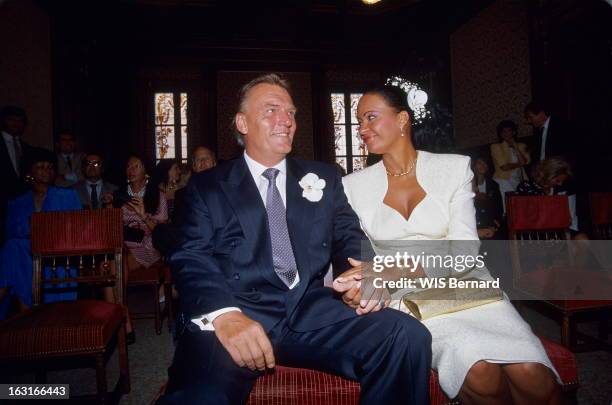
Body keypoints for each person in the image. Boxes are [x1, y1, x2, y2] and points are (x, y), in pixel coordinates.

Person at [158, 74, 432, 405]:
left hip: (307, 309)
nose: (286, 120)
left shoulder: (324, 177)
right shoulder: (207, 187)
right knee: (200, 397)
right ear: (242, 123)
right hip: (234, 314)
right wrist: (224, 315)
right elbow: (190, 256)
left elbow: (348, 236)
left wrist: (364, 272)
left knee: (405, 335)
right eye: (272, 110)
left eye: (291, 113)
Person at [341, 85, 561, 404]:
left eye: (371, 117)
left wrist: (398, 268)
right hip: (411, 298)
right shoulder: (353, 186)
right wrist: (360, 283)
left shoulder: (453, 168)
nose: (362, 128)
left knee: (532, 374)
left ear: (402, 119)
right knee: (479, 370)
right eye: (359, 121)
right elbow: (355, 253)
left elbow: (465, 251)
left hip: (468, 284)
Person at [0, 148, 82, 318]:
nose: (47, 170)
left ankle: (30, 314)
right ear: (30, 170)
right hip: (25, 254)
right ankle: (26, 312)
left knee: (15, 252)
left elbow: (77, 229)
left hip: (58, 252)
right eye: (41, 166)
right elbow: (11, 232)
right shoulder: (17, 201)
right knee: (13, 248)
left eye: (50, 167)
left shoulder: (67, 195)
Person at [516, 157, 586, 239]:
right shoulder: (527, 187)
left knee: (582, 238)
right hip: (536, 233)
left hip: (559, 231)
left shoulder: (563, 191)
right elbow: (528, 217)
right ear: (547, 175)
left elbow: (570, 219)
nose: (560, 184)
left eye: (562, 181)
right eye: (557, 181)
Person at [0, 106, 34, 244]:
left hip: (22, 204)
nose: (16, 124)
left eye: (20, 121)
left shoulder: (26, 148)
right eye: (12, 120)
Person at [490, 120, 530, 213]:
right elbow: (504, 167)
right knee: (508, 208)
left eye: (509, 130)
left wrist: (515, 146)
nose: (507, 133)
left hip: (520, 181)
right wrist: (520, 164)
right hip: (503, 180)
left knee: (521, 208)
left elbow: (526, 161)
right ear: (500, 134)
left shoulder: (522, 145)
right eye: (504, 131)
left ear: (514, 132)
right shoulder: (496, 146)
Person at [472, 157, 504, 239]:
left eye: (485, 163)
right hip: (474, 224)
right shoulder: (468, 184)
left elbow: (498, 206)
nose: (483, 165)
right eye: (480, 163)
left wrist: (496, 222)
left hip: (490, 224)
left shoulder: (493, 185)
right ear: (474, 166)